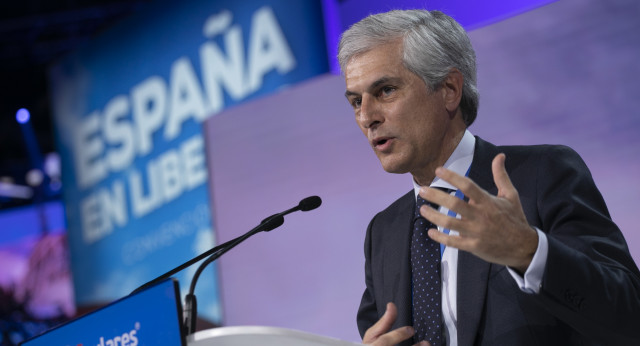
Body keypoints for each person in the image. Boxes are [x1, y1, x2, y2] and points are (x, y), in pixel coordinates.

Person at [338, 9, 640, 346]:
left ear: (450, 89)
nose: (366, 116)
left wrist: (529, 252)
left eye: (386, 91)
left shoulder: (543, 174)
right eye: (355, 101)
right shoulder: (383, 232)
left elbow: (629, 316)